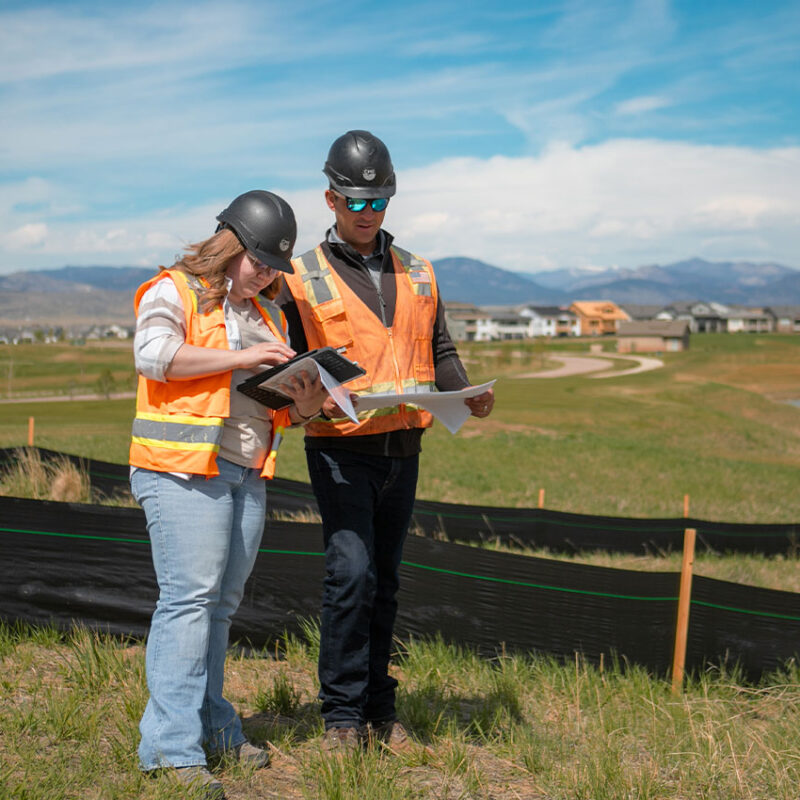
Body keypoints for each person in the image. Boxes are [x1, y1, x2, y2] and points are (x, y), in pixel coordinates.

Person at [277, 130, 494, 752]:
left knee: (387, 581)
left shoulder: (419, 272)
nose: (368, 214)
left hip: (406, 449)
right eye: (356, 202)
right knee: (351, 575)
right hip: (341, 448)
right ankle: (341, 717)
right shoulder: (301, 276)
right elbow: (292, 364)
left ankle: (378, 708)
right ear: (330, 199)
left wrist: (467, 391)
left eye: (379, 202)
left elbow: (441, 351)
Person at [129, 190, 327, 799]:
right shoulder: (175, 290)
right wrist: (241, 357)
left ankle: (214, 727)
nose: (266, 274)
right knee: (188, 603)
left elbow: (283, 407)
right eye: (259, 260)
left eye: (274, 266)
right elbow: (153, 354)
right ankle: (169, 751)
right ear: (230, 243)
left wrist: (309, 394)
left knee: (219, 607)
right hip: (184, 470)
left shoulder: (267, 314)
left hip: (246, 470)